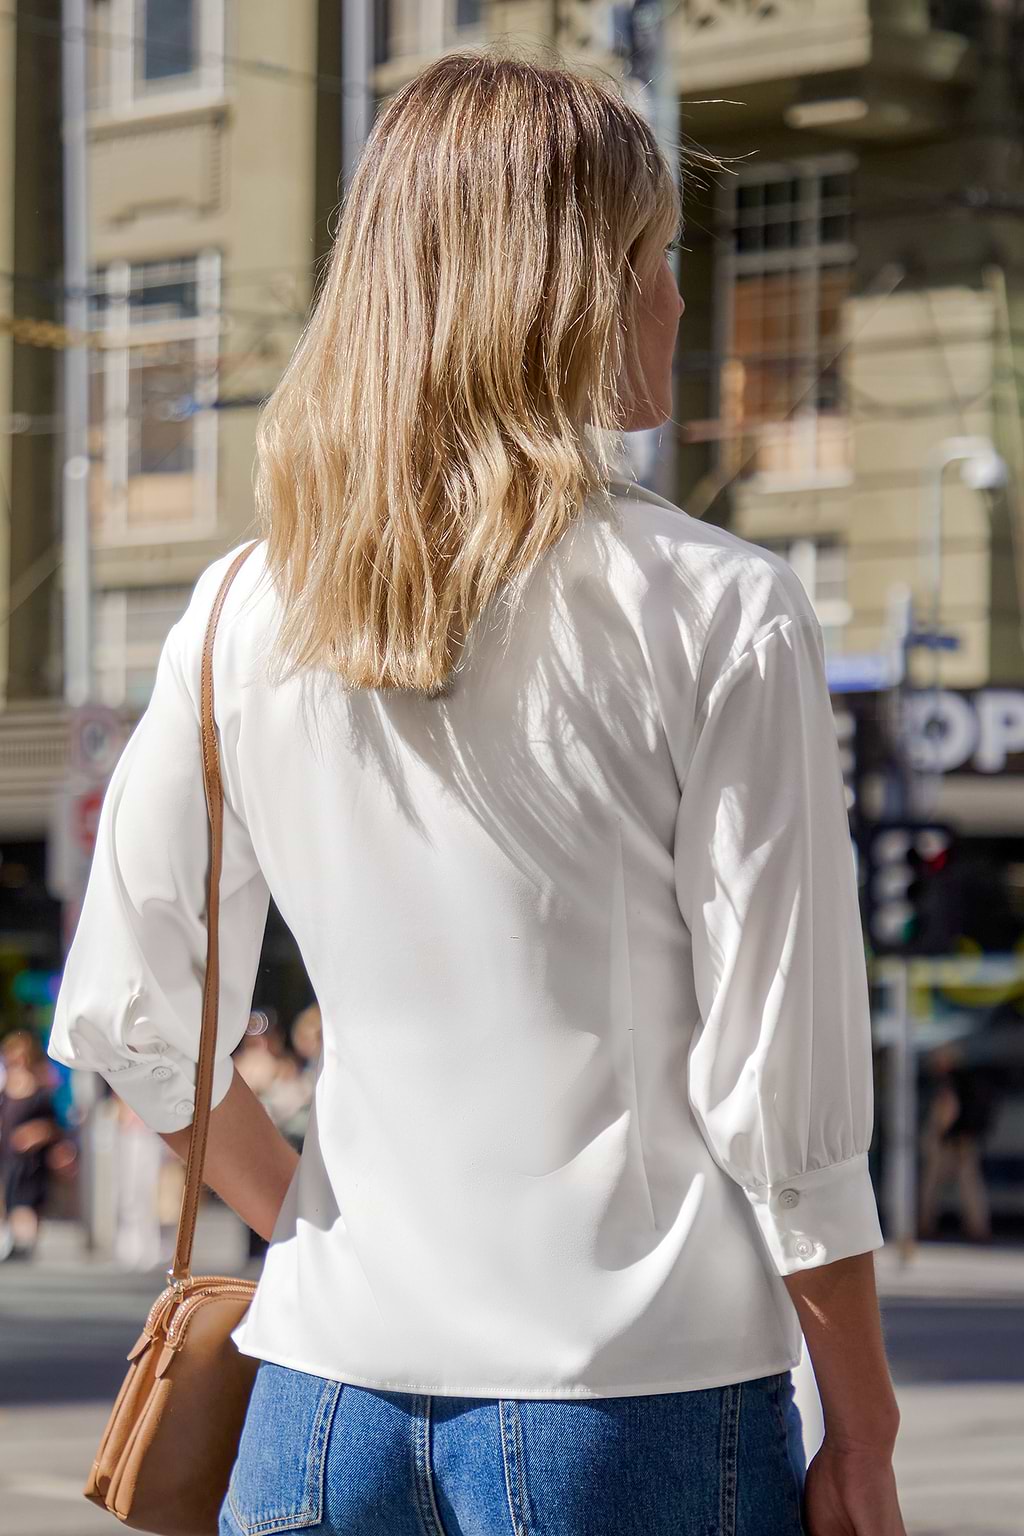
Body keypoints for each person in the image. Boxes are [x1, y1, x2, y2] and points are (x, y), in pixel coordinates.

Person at [46, 49, 905, 1536]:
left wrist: (326, 1227)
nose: (677, 301)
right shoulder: (721, 609)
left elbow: (131, 1015)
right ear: (568, 291)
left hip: (317, 1398)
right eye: (655, 259)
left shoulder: (246, 604)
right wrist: (867, 1425)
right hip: (636, 1400)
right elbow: (783, 1104)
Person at [0, 1029, 61, 1261]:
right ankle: (13, 1241)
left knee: (26, 1199)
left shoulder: (40, 1090)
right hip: (8, 1154)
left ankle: (24, 1243)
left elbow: (54, 1125)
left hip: (31, 1159)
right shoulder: (6, 1088)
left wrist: (35, 1133)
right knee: (10, 1195)